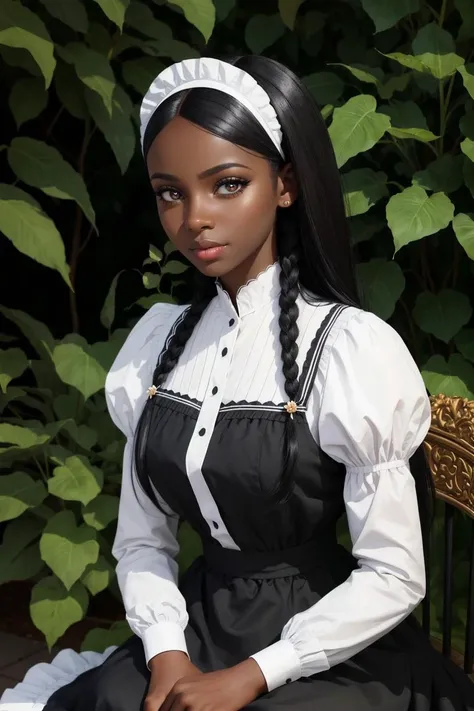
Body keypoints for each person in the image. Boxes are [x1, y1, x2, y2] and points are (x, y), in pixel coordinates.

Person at [3, 55, 473, 711]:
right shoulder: (159, 345)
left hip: (331, 637)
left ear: (284, 184)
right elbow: (142, 539)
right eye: (171, 191)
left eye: (226, 184)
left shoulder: (347, 348)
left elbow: (394, 573)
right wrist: (167, 649)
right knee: (109, 698)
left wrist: (251, 674)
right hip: (199, 620)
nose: (194, 216)